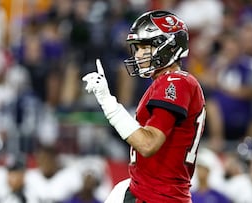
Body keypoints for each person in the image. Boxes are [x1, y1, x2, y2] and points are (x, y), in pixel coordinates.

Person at [82, 10, 206, 202]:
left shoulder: (175, 81)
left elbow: (148, 144)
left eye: (143, 47)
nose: (138, 54)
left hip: (157, 196)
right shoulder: (165, 83)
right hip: (149, 191)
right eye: (137, 48)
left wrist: (108, 103)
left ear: (167, 46)